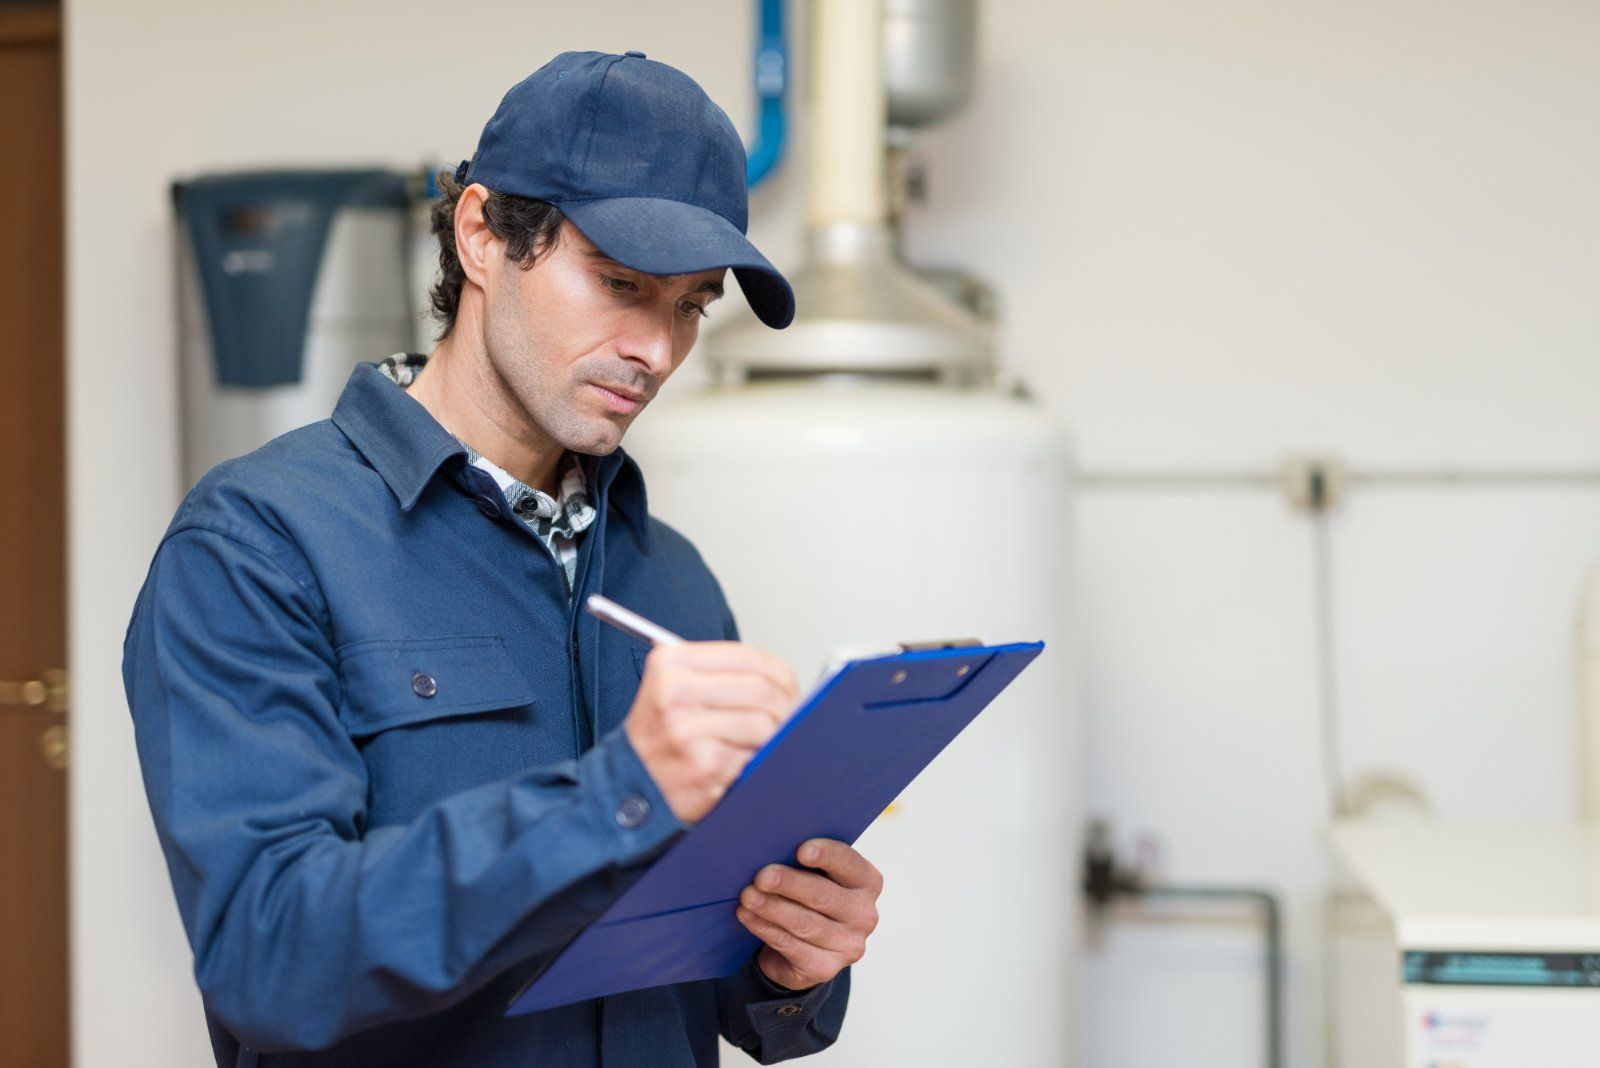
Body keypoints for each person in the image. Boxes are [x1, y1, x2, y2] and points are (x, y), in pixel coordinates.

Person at [123, 50, 883, 1067]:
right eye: (620, 283)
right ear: (482, 234)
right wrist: (621, 794)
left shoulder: (674, 578)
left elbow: (703, 977)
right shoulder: (259, 546)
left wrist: (790, 966)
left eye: (691, 305)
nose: (656, 349)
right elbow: (271, 958)